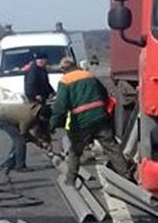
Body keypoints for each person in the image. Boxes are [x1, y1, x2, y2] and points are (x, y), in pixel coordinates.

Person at [49, 57, 127, 185]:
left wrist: (53, 125)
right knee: (112, 148)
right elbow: (104, 93)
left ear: (63, 69)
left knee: (75, 151)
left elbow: (60, 106)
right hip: (100, 118)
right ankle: (126, 177)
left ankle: (70, 180)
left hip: (82, 122)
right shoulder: (89, 75)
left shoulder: (65, 81)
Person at [24, 51, 54, 140]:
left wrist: (51, 91)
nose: (45, 62)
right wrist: (35, 95)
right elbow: (30, 85)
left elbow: (45, 83)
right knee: (37, 116)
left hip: (43, 96)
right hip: (34, 98)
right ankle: (37, 134)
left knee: (44, 114)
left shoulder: (42, 69)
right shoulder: (33, 71)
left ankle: (44, 132)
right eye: (43, 60)